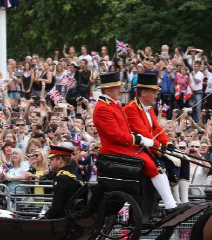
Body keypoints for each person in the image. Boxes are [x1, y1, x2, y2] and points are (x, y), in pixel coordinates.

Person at [94, 72, 181, 213]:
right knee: (152, 165)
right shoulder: (103, 108)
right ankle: (170, 205)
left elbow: (127, 130)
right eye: (117, 88)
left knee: (156, 162)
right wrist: (139, 139)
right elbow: (115, 135)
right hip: (113, 148)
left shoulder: (112, 105)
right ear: (108, 90)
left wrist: (165, 145)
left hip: (125, 144)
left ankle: (171, 202)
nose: (120, 90)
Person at [44, 145, 84, 219]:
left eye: (52, 159)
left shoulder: (61, 178)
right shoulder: (74, 175)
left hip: (64, 221)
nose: (50, 161)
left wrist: (44, 217)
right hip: (76, 218)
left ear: (60, 160)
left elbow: (57, 208)